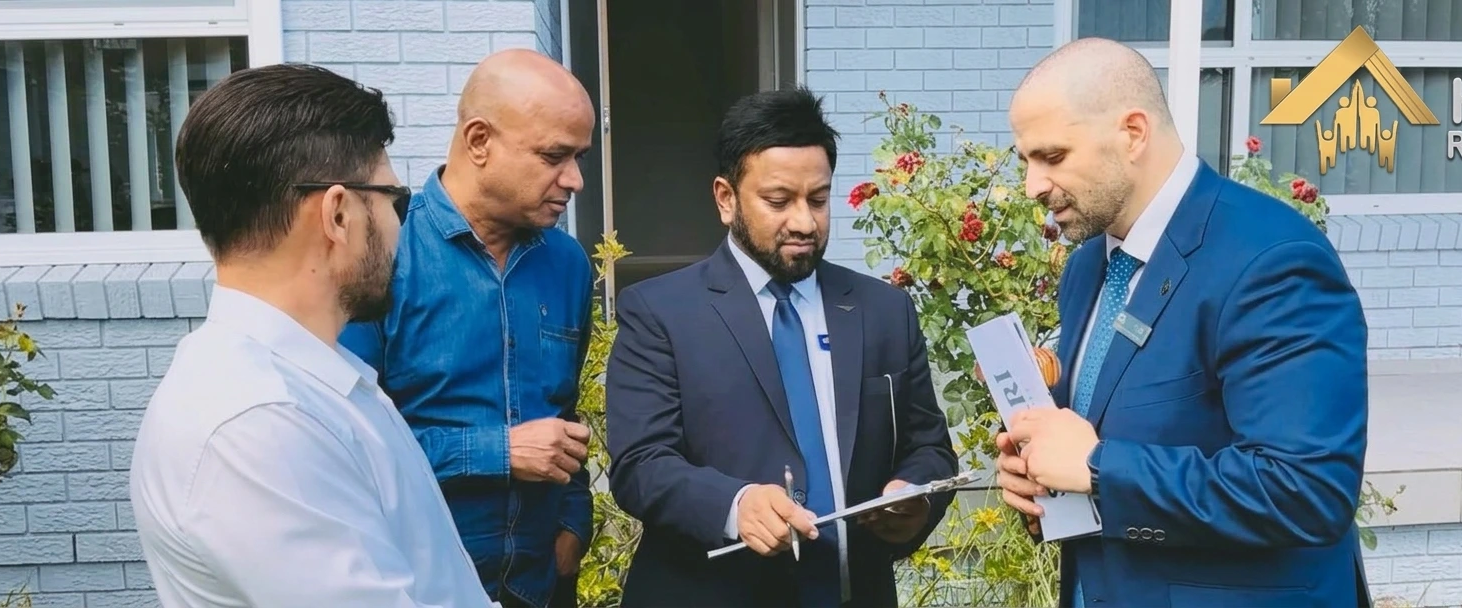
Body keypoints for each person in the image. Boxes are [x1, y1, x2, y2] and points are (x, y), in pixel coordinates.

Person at [995, 38, 1371, 607]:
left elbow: (1306, 492)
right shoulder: (1085, 270)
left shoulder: (1270, 260)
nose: (1033, 186)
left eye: (1052, 156)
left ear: (1133, 133)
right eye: (1025, 160)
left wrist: (1097, 467)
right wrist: (1045, 480)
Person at [129, 63, 496, 607]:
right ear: (338, 213)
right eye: (395, 202)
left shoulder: (306, 383)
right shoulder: (258, 424)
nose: (402, 226)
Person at [604, 86, 958, 607]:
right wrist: (736, 503)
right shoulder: (659, 312)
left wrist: (914, 497)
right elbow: (640, 464)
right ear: (726, 199)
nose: (804, 222)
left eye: (818, 199)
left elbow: (930, 448)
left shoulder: (884, 311)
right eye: (778, 201)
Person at [338, 48, 595, 608]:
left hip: (540, 587)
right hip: (421, 588)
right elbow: (348, 447)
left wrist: (575, 525)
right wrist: (497, 451)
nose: (574, 179)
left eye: (579, 156)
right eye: (555, 155)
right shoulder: (383, 254)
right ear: (479, 141)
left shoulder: (569, 265)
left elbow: (564, 414)